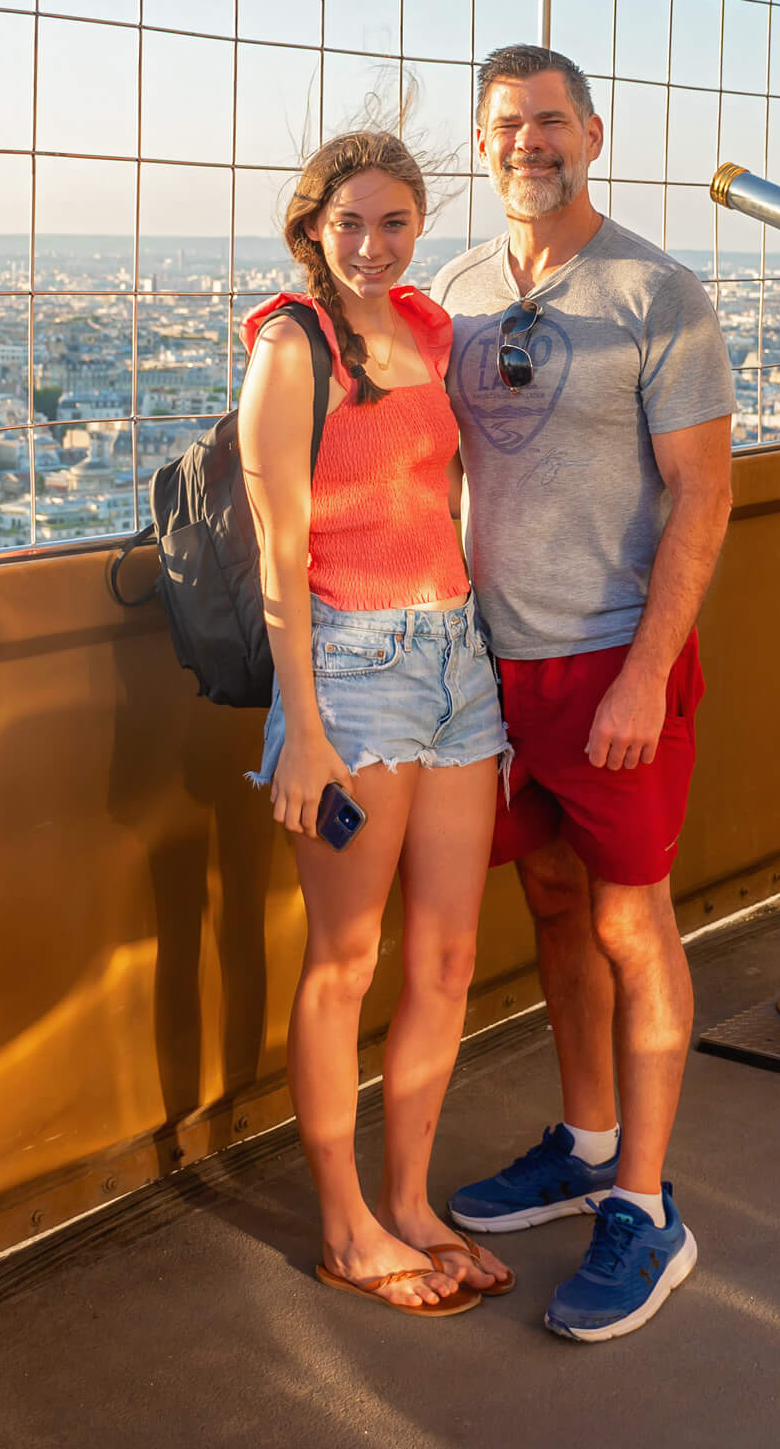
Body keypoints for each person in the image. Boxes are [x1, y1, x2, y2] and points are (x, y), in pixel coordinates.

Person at [432, 45, 735, 1341]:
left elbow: (702, 498)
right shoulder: (449, 292)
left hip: (611, 666)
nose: (526, 144)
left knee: (631, 924)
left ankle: (644, 1205)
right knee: (550, 901)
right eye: (505, 125)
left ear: (592, 135)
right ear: (480, 142)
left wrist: (644, 676)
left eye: (548, 122)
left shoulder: (658, 293)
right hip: (492, 674)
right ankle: (585, 1134)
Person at [237, 129, 514, 1316]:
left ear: (417, 228)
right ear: (312, 228)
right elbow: (277, 555)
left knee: (446, 957)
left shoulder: (431, 327)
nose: (369, 243)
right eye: (347, 222)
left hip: (458, 658)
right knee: (346, 960)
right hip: (353, 670)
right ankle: (345, 1224)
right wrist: (303, 726)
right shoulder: (291, 346)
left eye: (392, 221)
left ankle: (408, 1199)